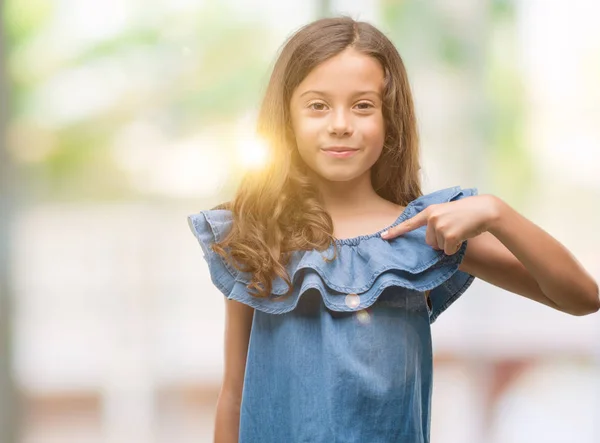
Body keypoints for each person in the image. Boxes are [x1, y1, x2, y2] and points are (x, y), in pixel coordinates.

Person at [187, 16, 599, 443]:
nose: (340, 123)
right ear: (286, 119)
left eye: (363, 105)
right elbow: (234, 395)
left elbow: (582, 298)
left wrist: (498, 213)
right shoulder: (256, 237)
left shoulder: (424, 235)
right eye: (317, 105)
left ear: (390, 119)